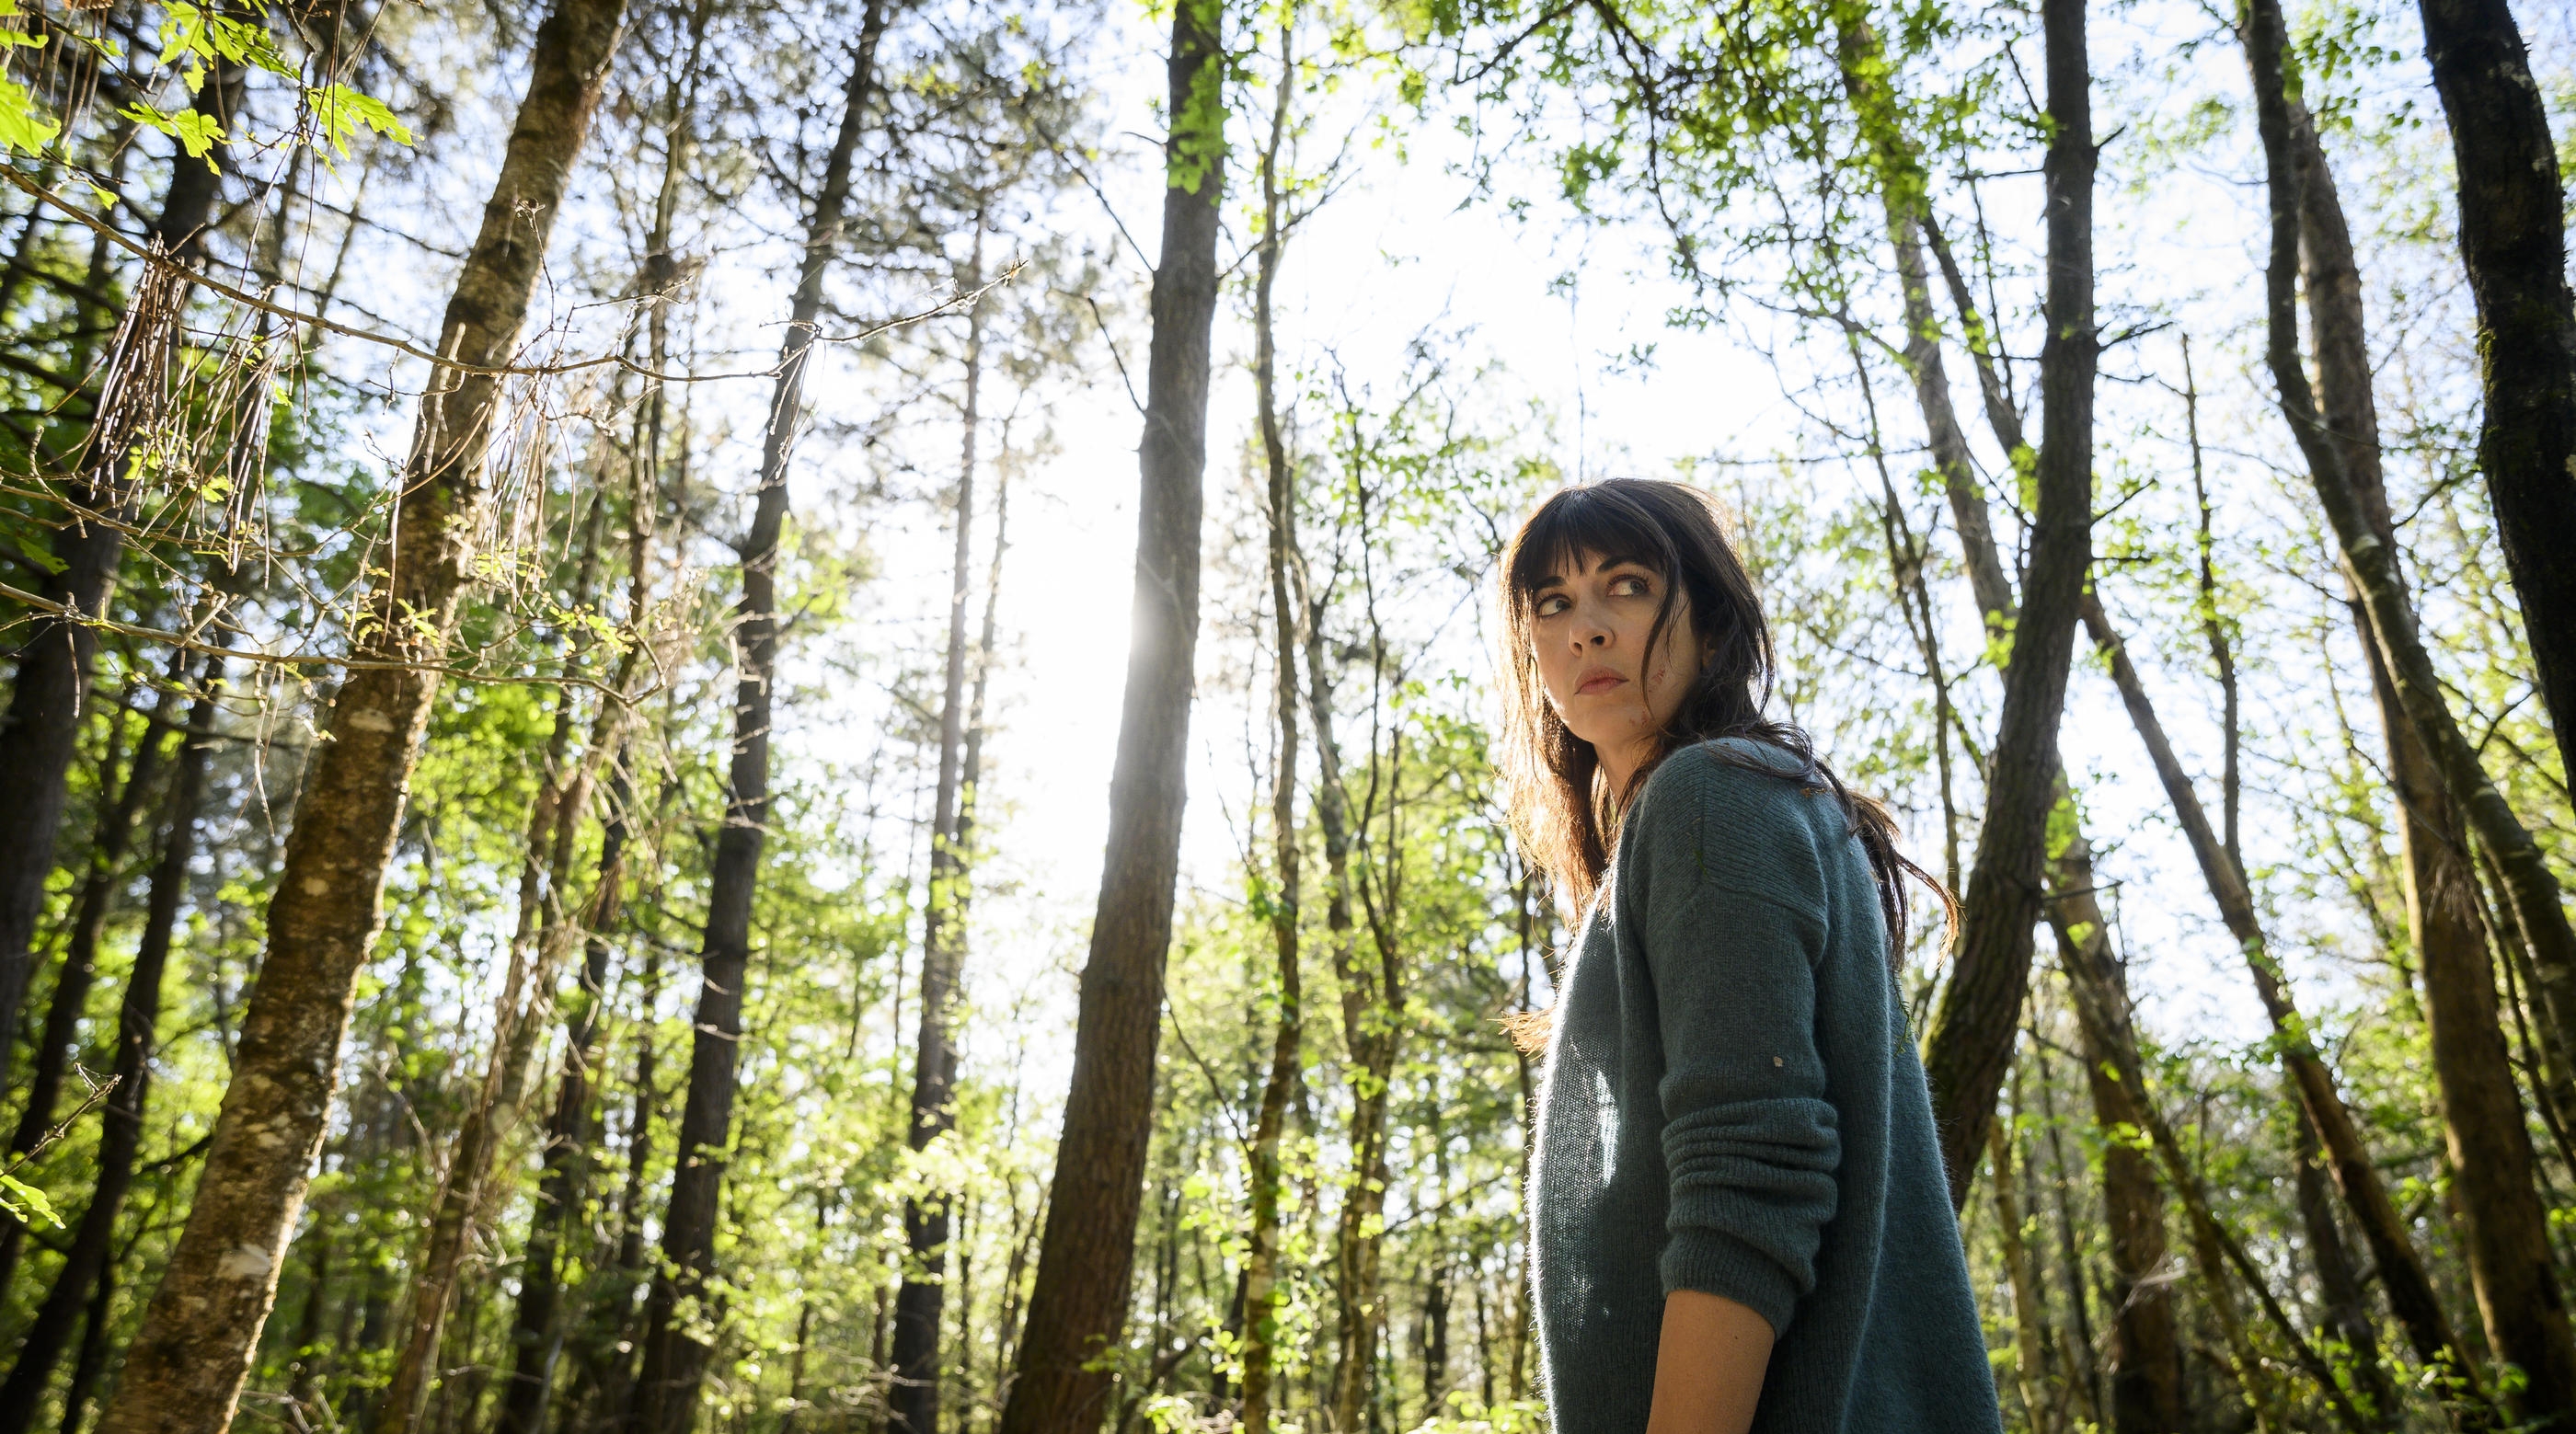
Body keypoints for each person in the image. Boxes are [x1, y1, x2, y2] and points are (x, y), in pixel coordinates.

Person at [1499, 479, 2001, 1434]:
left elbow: (1751, 1182)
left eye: (1629, 584)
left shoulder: (1709, 801)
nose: (1586, 628)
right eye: (1552, 602)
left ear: (1716, 626)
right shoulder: (1733, 808)